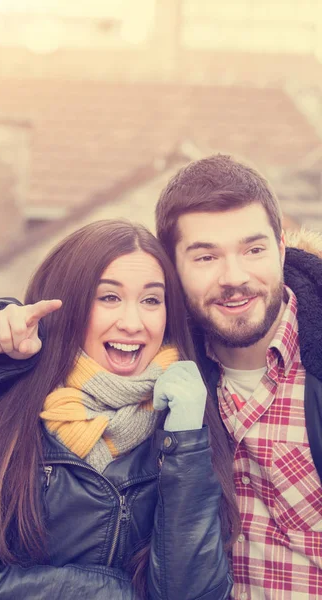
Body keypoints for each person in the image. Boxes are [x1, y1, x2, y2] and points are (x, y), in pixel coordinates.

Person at [0, 220, 237, 600]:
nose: (132, 322)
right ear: (68, 305)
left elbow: (194, 594)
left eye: (152, 300)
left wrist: (186, 441)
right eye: (108, 297)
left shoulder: (185, 417)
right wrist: (108, 592)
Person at [155, 154, 322, 599]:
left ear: (283, 250)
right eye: (206, 256)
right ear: (172, 270)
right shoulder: (159, 360)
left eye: (254, 250)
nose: (235, 278)